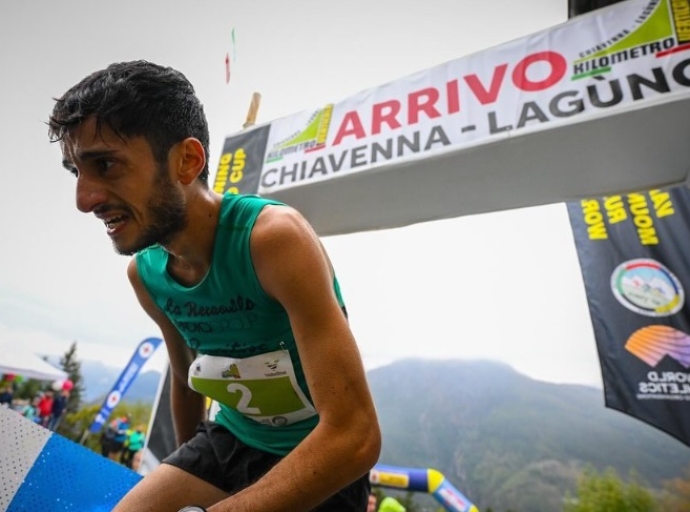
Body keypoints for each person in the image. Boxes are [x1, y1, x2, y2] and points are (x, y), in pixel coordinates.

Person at [48, 60, 381, 512]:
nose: (84, 199)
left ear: (187, 161)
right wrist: (185, 466)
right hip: (229, 438)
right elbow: (187, 380)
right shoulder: (144, 275)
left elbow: (355, 435)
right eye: (77, 173)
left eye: (105, 165)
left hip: (319, 454)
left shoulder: (274, 240)